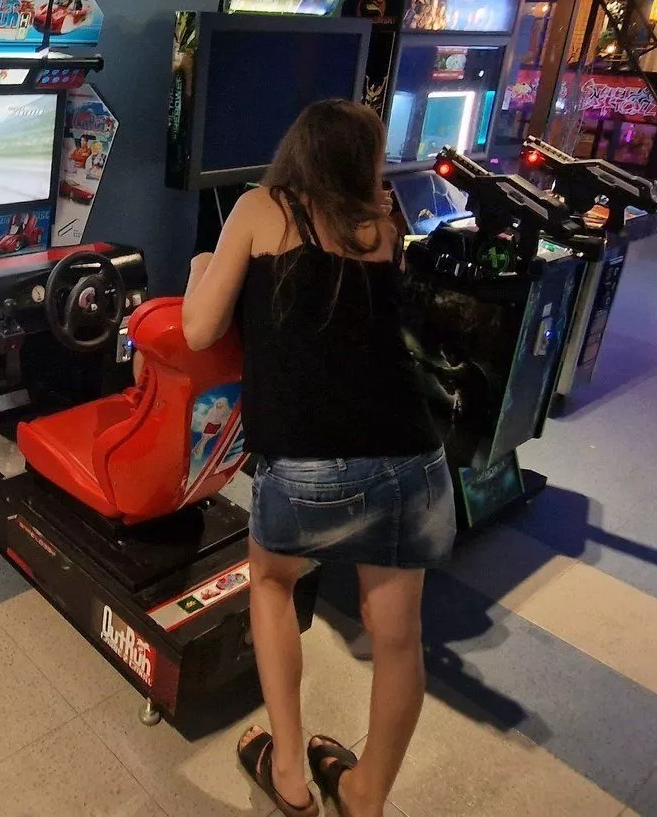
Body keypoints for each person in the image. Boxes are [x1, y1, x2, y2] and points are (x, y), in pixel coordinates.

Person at [180, 100, 450, 817]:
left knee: (272, 584)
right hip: (412, 459)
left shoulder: (260, 206)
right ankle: (365, 795)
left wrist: (201, 265)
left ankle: (291, 774)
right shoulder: (381, 227)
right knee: (399, 640)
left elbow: (200, 328)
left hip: (307, 463)